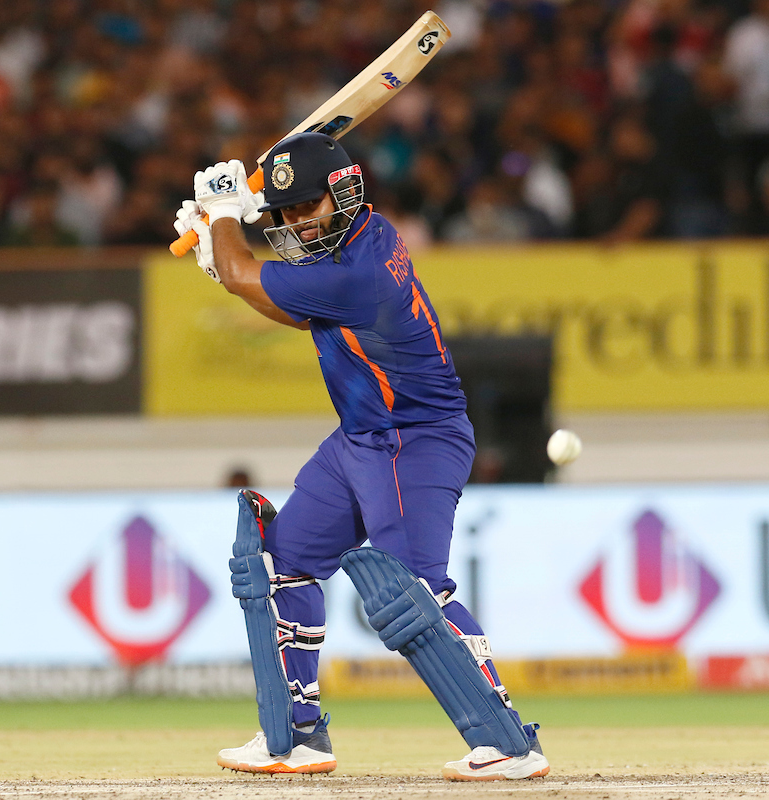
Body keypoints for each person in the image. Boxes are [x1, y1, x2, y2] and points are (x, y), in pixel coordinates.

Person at [172, 132, 549, 782]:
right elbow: (297, 309)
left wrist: (225, 223)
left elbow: (251, 277)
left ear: (343, 193)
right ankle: (296, 735)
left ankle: (510, 742)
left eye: (306, 207)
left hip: (415, 440)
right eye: (285, 213)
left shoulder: (361, 270)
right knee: (282, 564)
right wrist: (218, 249)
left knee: (415, 592)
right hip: (360, 438)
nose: (294, 222)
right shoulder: (359, 241)